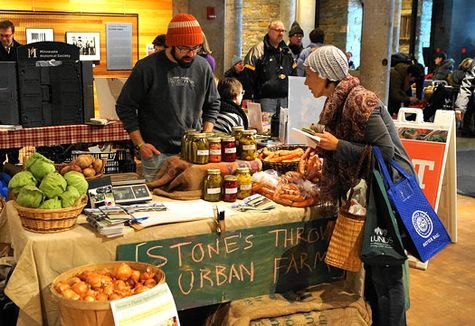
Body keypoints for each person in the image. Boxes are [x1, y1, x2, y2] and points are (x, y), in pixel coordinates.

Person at [303, 45, 415, 326]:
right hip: (371, 193)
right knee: (375, 271)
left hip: (388, 194)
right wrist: (322, 147)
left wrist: (337, 145)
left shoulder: (360, 100)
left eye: (309, 74)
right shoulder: (337, 102)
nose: (305, 81)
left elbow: (385, 153)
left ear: (325, 74)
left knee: (386, 275)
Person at [115, 13, 220, 182]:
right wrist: (140, 144)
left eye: (195, 48)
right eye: (184, 48)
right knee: (158, 204)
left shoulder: (203, 67)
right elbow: (124, 105)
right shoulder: (147, 67)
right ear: (171, 44)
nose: (191, 54)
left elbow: (213, 104)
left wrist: (205, 135)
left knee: (190, 201)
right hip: (156, 152)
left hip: (191, 152)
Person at [243, 19, 296, 113]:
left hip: (285, 99)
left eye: (283, 31)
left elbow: (294, 74)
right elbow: (248, 76)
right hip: (265, 100)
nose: (281, 33)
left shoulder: (287, 51)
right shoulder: (258, 50)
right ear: (269, 30)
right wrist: (247, 96)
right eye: (278, 30)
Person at [0, 20, 21, 165]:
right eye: (1, 36)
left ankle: (13, 163)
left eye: (7, 36)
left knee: (15, 133)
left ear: (13, 34)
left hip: (16, 98)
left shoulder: (21, 50)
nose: (4, 39)